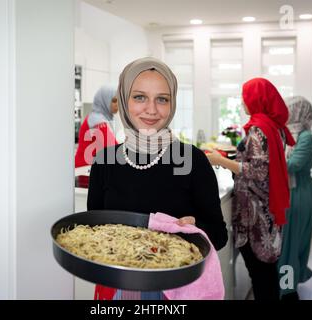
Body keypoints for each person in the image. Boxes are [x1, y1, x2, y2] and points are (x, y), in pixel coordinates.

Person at [87, 57, 228, 300]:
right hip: (115, 286)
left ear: (172, 104)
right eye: (139, 97)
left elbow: (219, 235)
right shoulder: (105, 160)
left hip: (174, 290)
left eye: (162, 99)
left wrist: (195, 229)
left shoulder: (192, 160)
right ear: (123, 100)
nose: (151, 109)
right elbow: (94, 229)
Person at [206, 78, 295, 300]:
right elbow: (264, 162)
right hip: (267, 210)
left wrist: (220, 160)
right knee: (266, 273)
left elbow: (258, 171)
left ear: (257, 99)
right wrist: (229, 157)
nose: (243, 101)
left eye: (246, 96)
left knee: (261, 275)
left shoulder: (259, 129)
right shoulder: (273, 126)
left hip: (255, 217)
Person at [277, 96, 312, 300]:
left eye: (289, 110)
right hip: (291, 192)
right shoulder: (288, 134)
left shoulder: (306, 138)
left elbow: (291, 166)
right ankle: (286, 285)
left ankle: (288, 291)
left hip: (299, 194)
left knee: (291, 245)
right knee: (287, 244)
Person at [74, 85, 119, 168]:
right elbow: (113, 149)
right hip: (84, 170)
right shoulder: (97, 120)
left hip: (87, 168)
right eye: (114, 101)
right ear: (104, 101)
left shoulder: (98, 118)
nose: (117, 104)